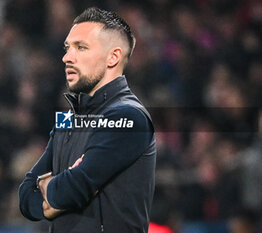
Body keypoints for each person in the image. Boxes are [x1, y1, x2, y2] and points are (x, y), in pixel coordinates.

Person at [19, 7, 156, 233]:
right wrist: (50, 202)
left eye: (81, 48)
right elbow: (25, 193)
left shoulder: (129, 116)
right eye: (67, 48)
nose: (67, 57)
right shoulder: (68, 118)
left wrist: (49, 186)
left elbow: (71, 190)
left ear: (113, 57)